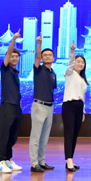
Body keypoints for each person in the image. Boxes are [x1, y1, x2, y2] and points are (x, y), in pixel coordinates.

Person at [0, 28, 24, 174]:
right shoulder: (5, 69)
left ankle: (8, 159)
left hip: (16, 107)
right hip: (7, 105)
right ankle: (1, 162)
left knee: (12, 135)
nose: (14, 58)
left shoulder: (15, 72)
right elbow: (7, 54)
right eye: (12, 56)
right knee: (4, 134)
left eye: (16, 57)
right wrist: (14, 39)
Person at [30, 34, 57, 172]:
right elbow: (36, 57)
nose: (47, 57)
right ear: (41, 58)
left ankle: (41, 161)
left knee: (45, 136)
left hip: (50, 106)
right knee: (36, 136)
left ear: (53, 58)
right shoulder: (38, 69)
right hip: (39, 106)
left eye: (49, 55)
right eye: (44, 55)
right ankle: (34, 163)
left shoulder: (53, 73)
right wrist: (39, 43)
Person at [62, 42, 87, 172]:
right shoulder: (69, 73)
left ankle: (70, 159)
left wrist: (83, 112)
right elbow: (70, 64)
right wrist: (72, 52)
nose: (80, 64)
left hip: (79, 107)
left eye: (82, 62)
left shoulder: (82, 79)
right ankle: (69, 159)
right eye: (78, 62)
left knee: (75, 134)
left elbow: (83, 96)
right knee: (69, 134)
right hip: (69, 106)